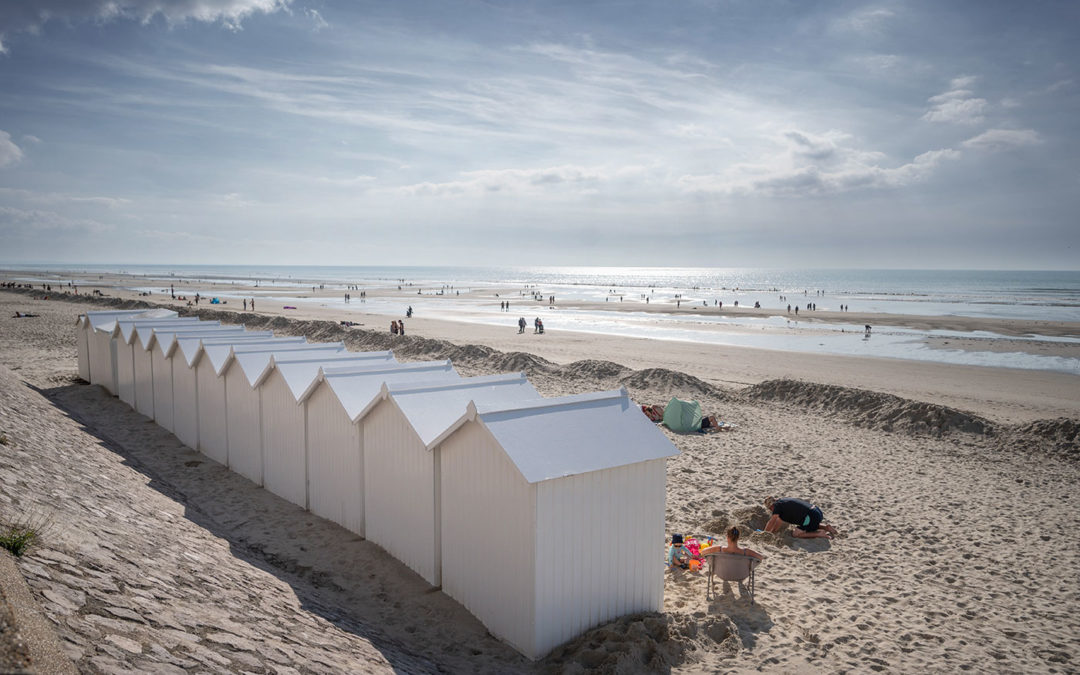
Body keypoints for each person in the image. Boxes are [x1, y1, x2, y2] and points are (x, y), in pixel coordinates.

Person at [763, 496, 839, 539]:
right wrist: (772, 532)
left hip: (810, 516)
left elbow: (772, 521)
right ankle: (826, 528)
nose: (770, 510)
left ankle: (819, 534)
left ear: (771, 506)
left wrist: (764, 534)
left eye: (770, 509)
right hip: (816, 511)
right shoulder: (782, 501)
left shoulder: (777, 506)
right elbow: (778, 521)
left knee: (796, 534)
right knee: (809, 524)